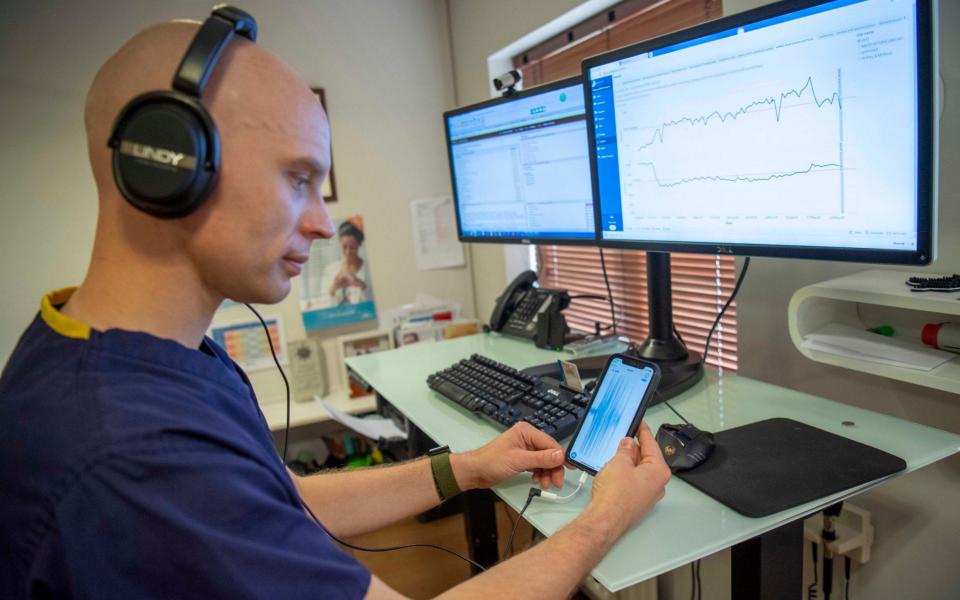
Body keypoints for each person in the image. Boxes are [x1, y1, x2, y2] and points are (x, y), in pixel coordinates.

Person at [0, 12, 671, 600]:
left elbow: (282, 499)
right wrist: (605, 517)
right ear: (170, 164)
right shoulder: (132, 455)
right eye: (298, 179)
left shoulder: (122, 355)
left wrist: (468, 466)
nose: (325, 224)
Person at [322, 219, 371, 305]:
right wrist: (334, 288)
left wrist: (361, 285)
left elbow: (378, 301)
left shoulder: (369, 270)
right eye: (344, 247)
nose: (348, 252)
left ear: (359, 245)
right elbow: (323, 304)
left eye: (352, 247)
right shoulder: (330, 270)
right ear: (340, 243)